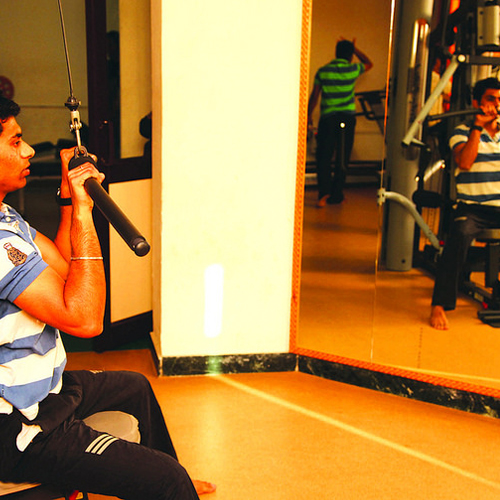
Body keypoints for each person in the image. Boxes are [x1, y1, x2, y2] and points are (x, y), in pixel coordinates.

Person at [0, 92, 215, 499]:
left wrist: (70, 196)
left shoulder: (6, 217)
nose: (28, 150)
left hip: (45, 393)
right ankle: (171, 483)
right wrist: (84, 211)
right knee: (164, 479)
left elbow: (66, 269)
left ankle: (174, 480)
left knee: (134, 387)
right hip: (17, 427)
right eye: (15, 141)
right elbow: (84, 319)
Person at [430, 77, 500, 330]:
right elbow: (465, 162)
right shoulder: (461, 131)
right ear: (477, 102)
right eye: (490, 99)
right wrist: (478, 127)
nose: (496, 104)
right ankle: (439, 305)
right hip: (473, 209)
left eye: (499, 100)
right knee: (459, 235)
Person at [307, 37, 373, 207]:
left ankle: (324, 195)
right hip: (347, 119)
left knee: (324, 156)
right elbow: (368, 63)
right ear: (350, 56)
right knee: (342, 157)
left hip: (327, 119)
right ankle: (337, 195)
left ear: (336, 53)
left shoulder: (323, 71)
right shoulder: (353, 69)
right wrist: (355, 49)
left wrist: (308, 115)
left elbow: (315, 96)